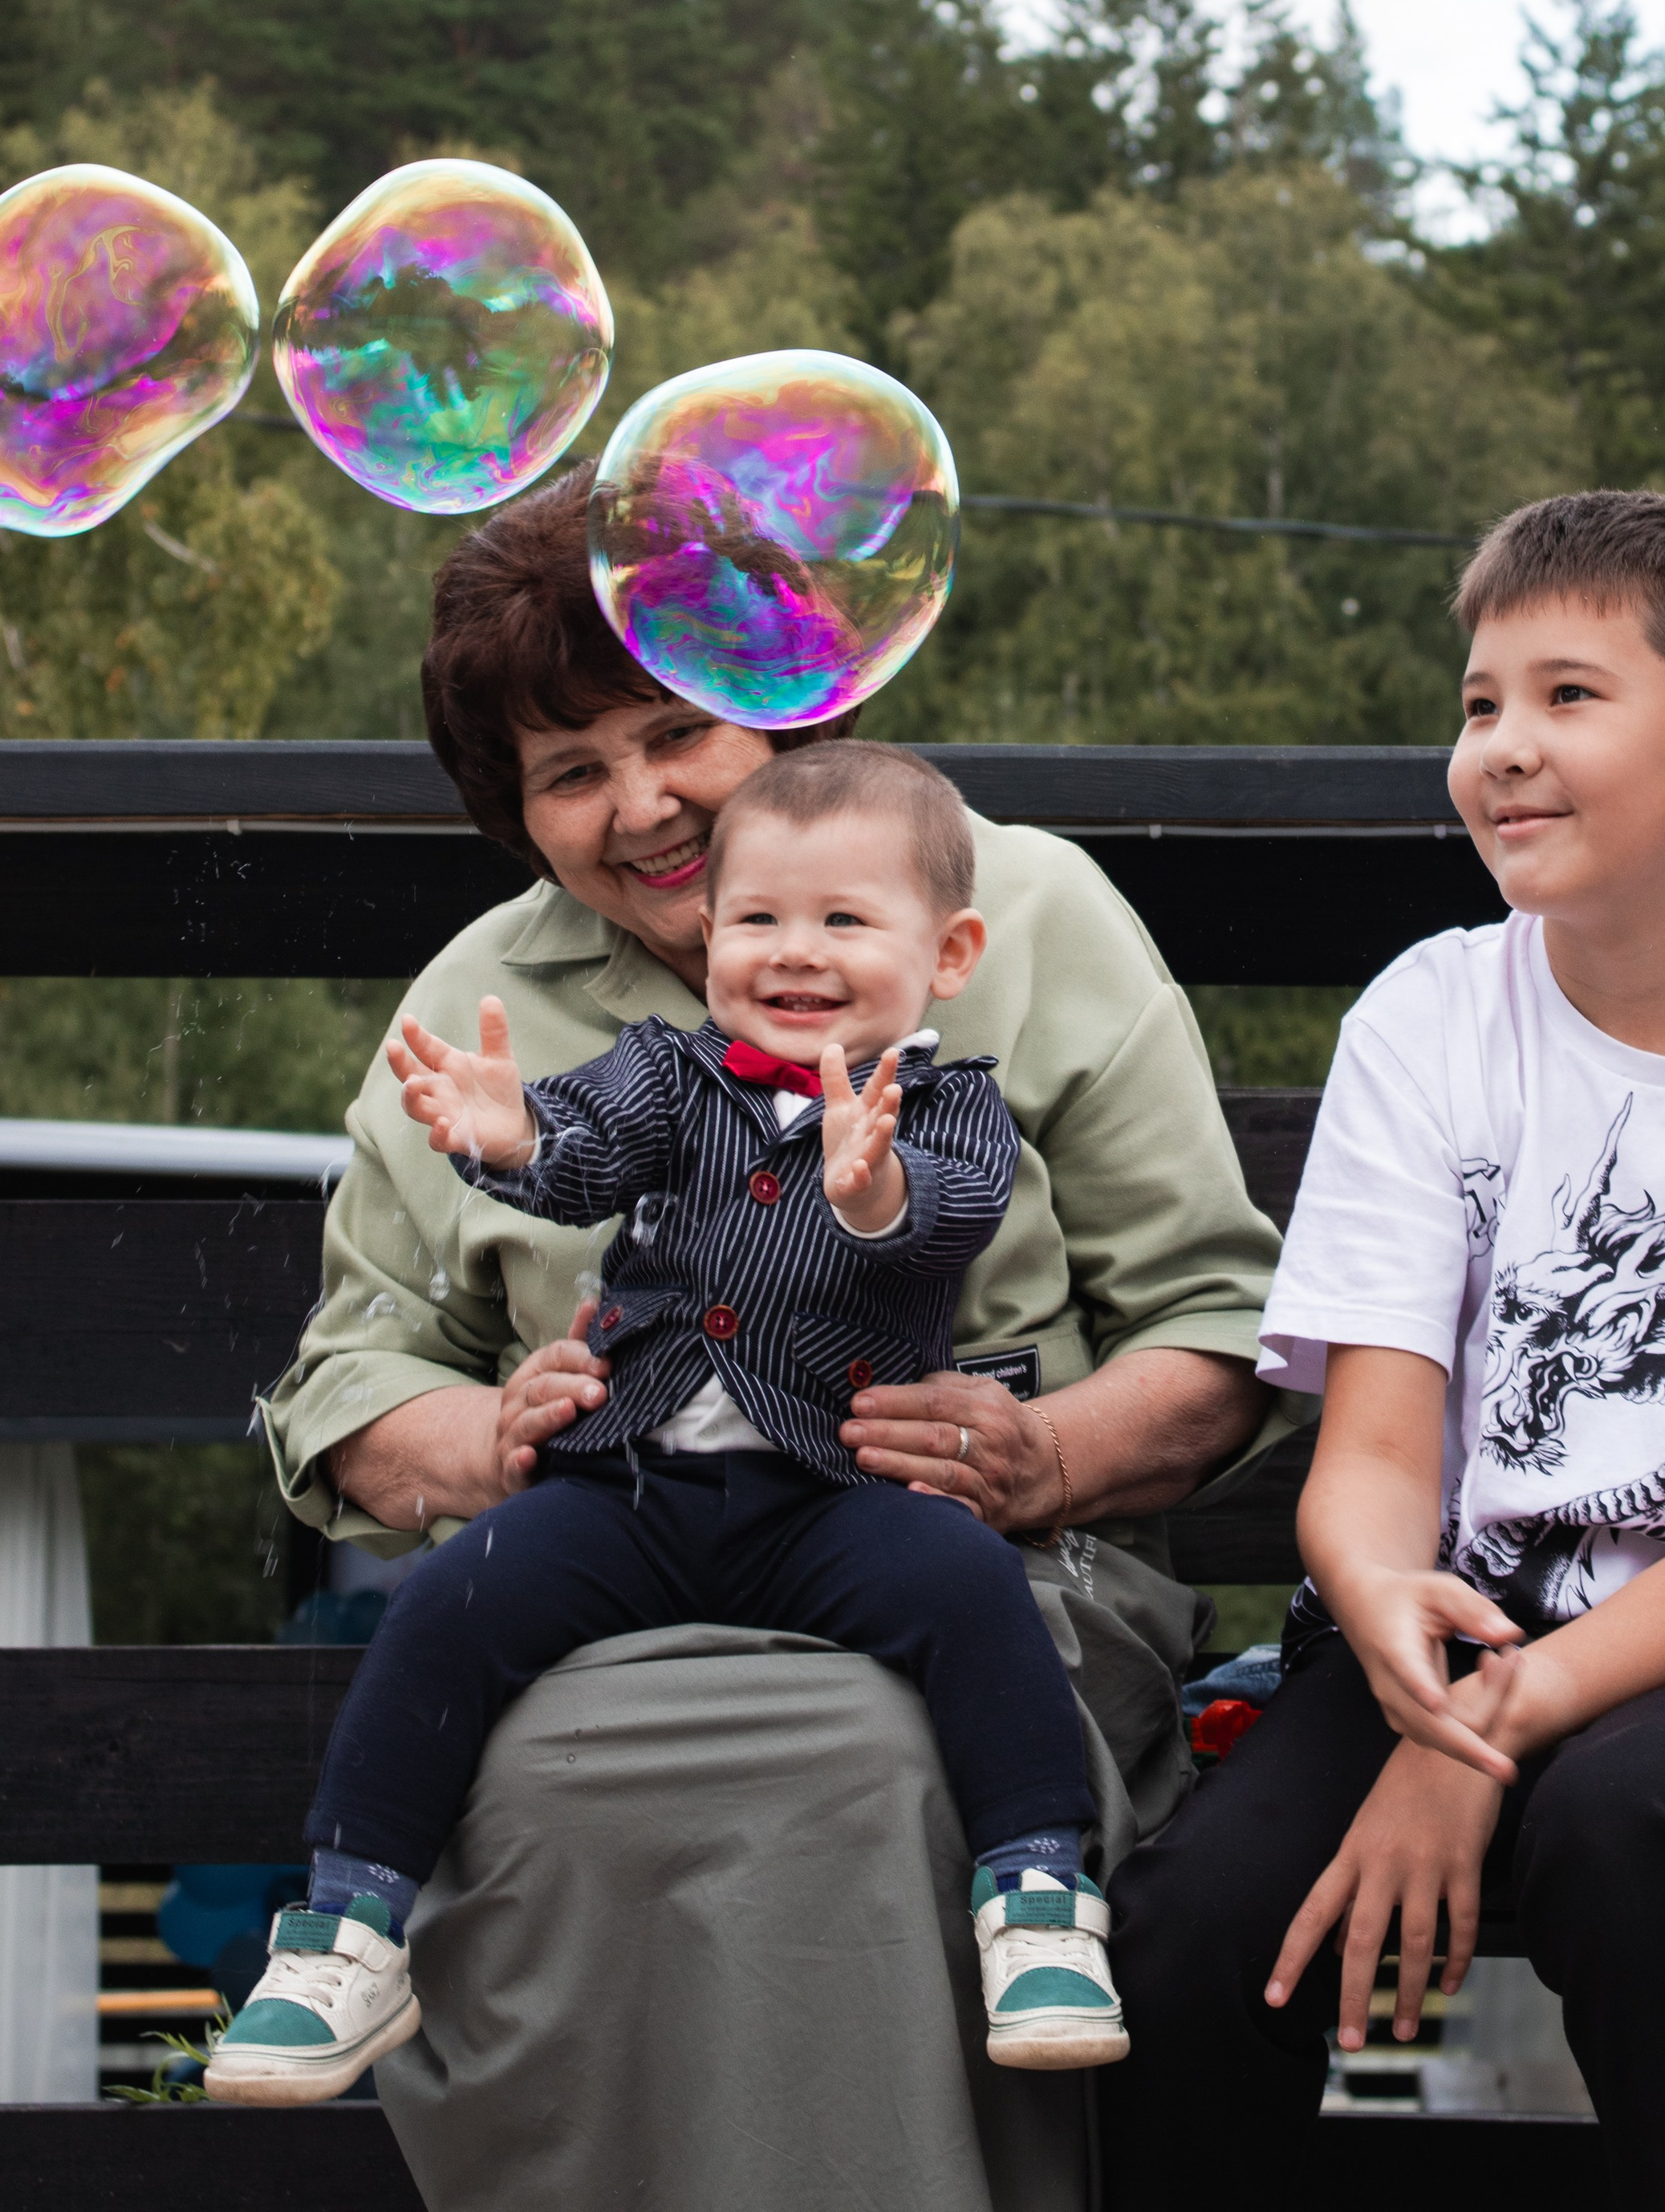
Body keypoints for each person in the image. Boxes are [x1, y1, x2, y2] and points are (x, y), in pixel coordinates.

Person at [258, 462, 1283, 2212]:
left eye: (676, 731)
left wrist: (1047, 1459)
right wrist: (486, 1441)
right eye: (570, 771)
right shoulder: (473, 1004)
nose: (643, 804)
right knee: (550, 1793)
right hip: (606, 1576)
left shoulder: (1022, 913)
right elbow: (350, 1376)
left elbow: (1211, 1323)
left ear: (778, 700)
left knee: (866, 1772)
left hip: (984, 1589)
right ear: (518, 815)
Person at [1103, 489, 1665, 2210]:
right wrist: (1394, 1649)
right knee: (1202, 1929)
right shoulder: (1431, 1016)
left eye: (1565, 695)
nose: (1500, 745)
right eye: (1476, 702)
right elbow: (1370, 1457)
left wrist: (1458, 1751)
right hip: (1435, 1631)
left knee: (1624, 1833)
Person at [214, 743, 1125, 2103]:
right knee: (450, 1601)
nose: (795, 955)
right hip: (631, 1490)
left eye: (844, 924)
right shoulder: (670, 1076)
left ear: (950, 956)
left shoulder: (946, 1105)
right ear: (710, 944)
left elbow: (943, 1220)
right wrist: (502, 1135)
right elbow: (584, 1150)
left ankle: (1042, 1907)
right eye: (756, 921)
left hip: (836, 1497)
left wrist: (865, 1192)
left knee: (970, 1590)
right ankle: (345, 1930)